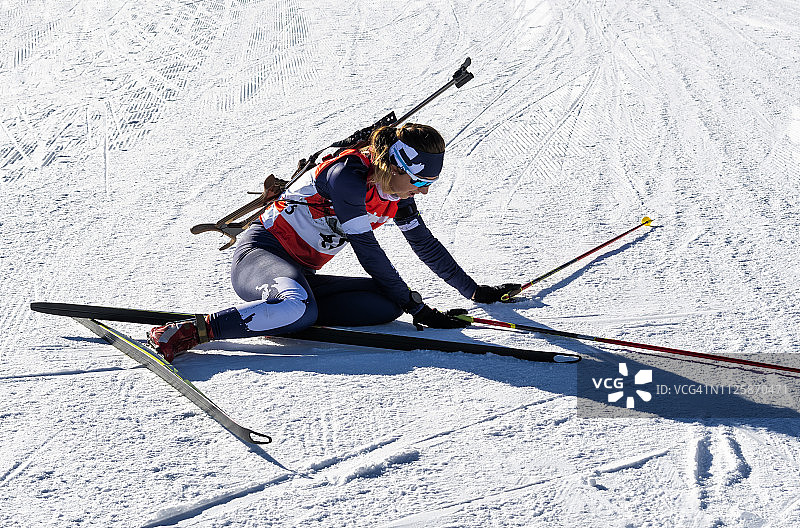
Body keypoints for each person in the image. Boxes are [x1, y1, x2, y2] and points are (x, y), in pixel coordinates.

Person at [148, 123, 519, 361]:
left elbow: (425, 245)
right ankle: (192, 331)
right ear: (394, 166)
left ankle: (289, 312)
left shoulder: (396, 196)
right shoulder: (347, 178)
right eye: (418, 182)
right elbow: (368, 252)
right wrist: (416, 306)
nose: (421, 192)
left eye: (428, 185)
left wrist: (474, 292)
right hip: (261, 255)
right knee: (302, 305)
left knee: (386, 304)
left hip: (302, 274)